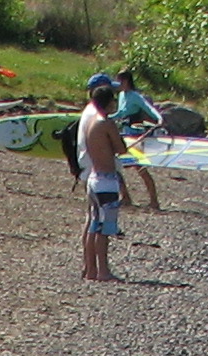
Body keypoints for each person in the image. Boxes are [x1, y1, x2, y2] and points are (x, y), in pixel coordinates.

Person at [78, 74, 125, 282]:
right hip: (106, 182)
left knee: (93, 225)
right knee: (104, 229)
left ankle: (91, 270)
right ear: (109, 103)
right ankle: (104, 271)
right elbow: (121, 148)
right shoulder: (107, 123)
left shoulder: (89, 122)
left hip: (93, 179)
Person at [113, 68, 161, 210]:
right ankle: (125, 196)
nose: (118, 84)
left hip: (135, 135)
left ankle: (154, 201)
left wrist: (159, 118)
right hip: (124, 133)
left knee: (141, 168)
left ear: (126, 81)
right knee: (115, 165)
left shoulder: (135, 96)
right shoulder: (121, 95)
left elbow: (148, 108)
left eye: (120, 81)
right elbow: (120, 113)